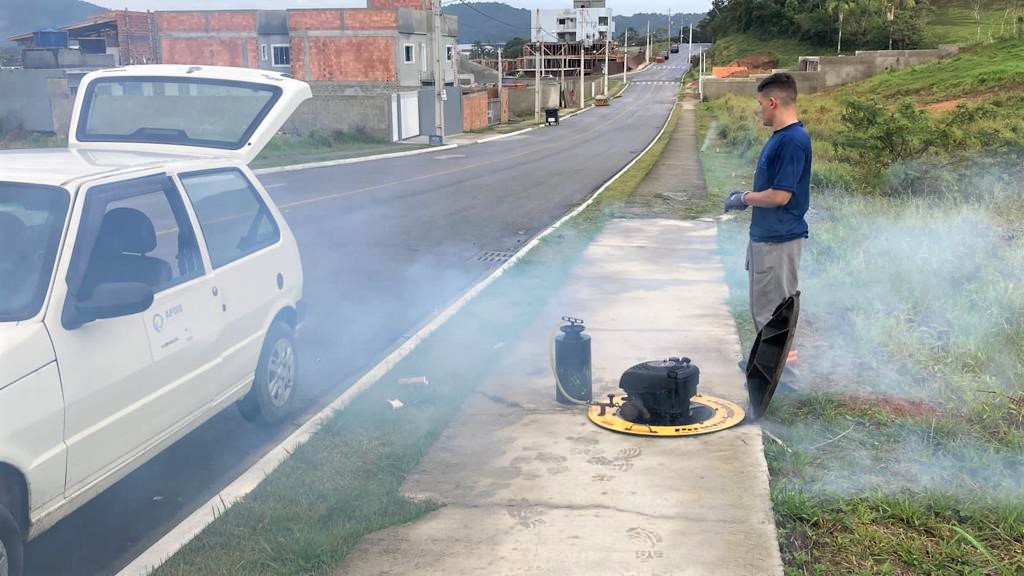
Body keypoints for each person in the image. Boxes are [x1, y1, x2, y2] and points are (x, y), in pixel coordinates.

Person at [724, 72, 811, 337]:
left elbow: (780, 196)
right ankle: (761, 370)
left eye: (760, 104)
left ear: (772, 102)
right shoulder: (781, 137)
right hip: (767, 238)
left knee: (774, 316)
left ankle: (784, 377)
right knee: (763, 310)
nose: (758, 110)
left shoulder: (792, 141)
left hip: (778, 241)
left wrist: (744, 199)